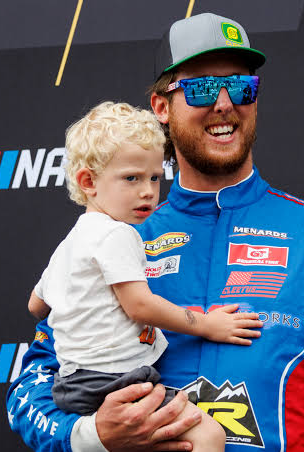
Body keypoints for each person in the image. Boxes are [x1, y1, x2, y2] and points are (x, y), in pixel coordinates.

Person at [7, 13, 304, 452]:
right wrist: (94, 436)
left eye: (240, 86)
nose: (224, 103)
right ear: (161, 107)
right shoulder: (111, 239)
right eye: (201, 87)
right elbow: (32, 390)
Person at [22, 100, 263, 451]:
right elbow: (139, 306)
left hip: (72, 384)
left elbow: (36, 305)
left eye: (154, 177)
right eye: (131, 178)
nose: (148, 191)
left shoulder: (70, 243)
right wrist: (208, 325)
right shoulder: (117, 234)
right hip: (115, 380)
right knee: (209, 436)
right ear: (88, 181)